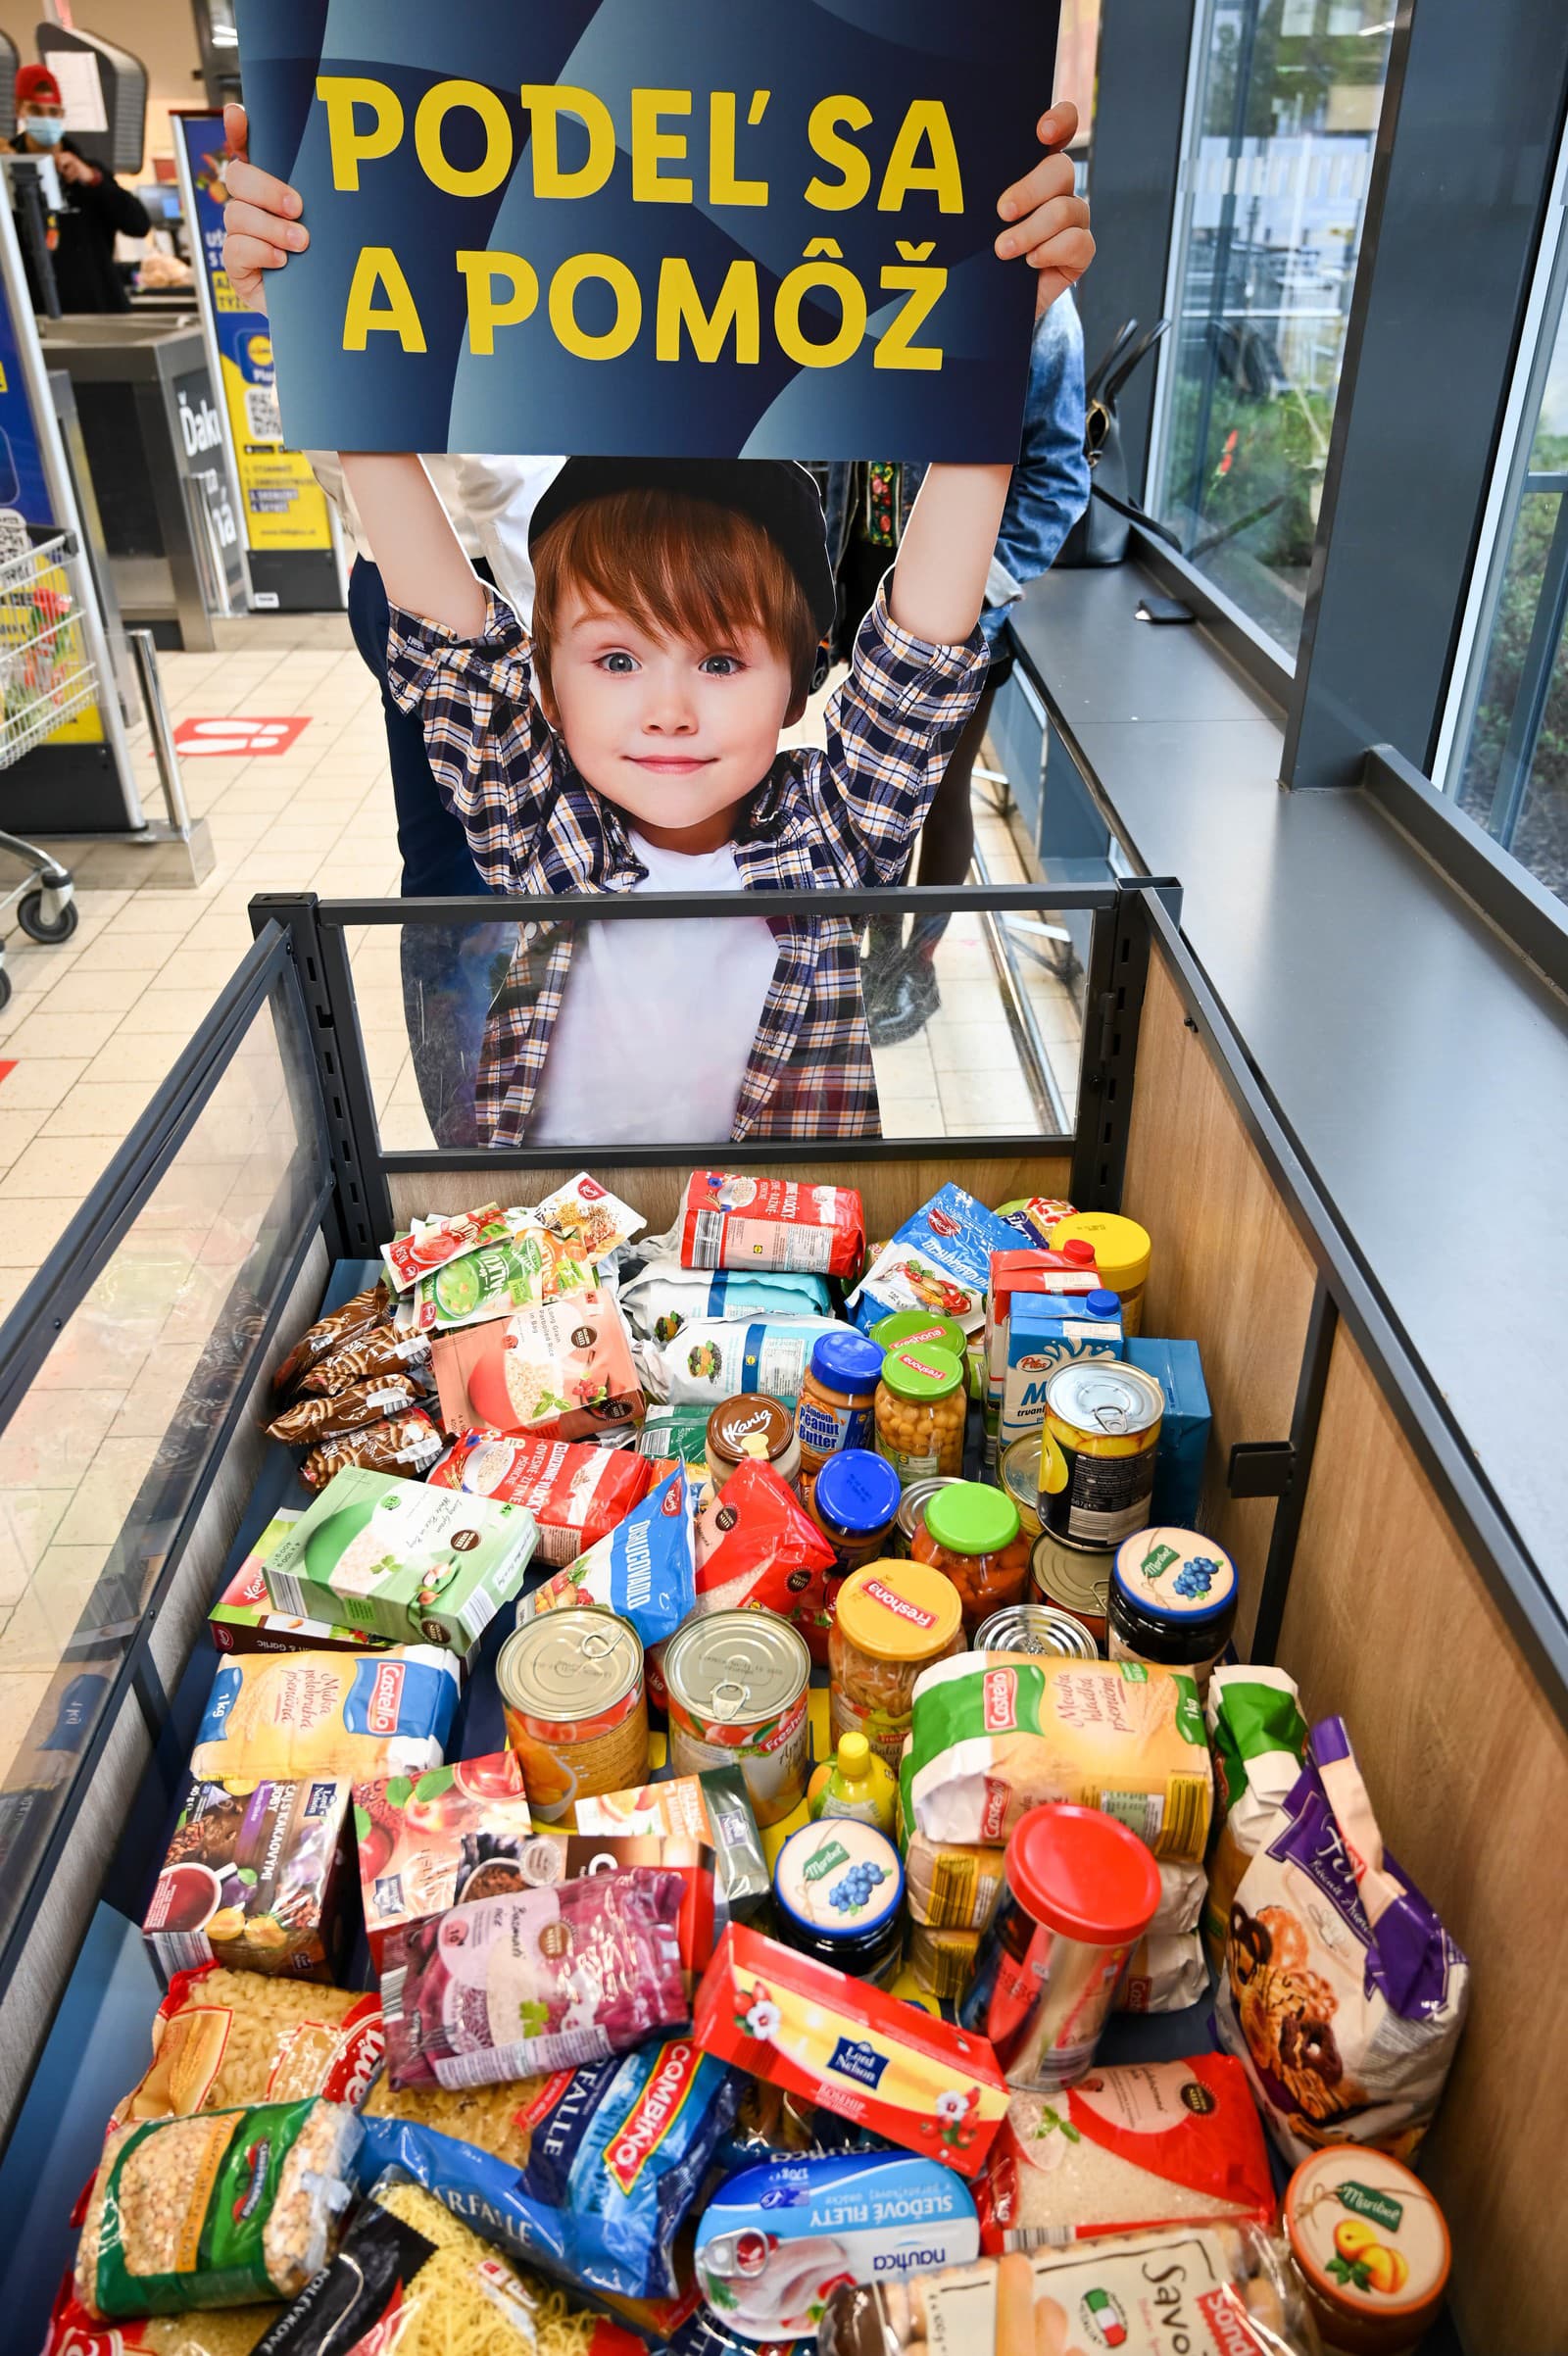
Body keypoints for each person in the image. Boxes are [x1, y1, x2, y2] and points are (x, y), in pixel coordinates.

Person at [220, 98, 1094, 1148]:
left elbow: (916, 657)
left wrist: (997, 348)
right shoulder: (539, 823)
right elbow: (453, 641)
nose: (669, 710)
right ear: (543, 682)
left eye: (722, 659)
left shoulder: (832, 834)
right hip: (566, 1275)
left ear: (803, 675)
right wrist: (326, 333)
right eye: (618, 657)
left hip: (767, 1277)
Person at [824, 300, 1090, 1043]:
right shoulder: (852, 271)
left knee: (939, 799)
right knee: (870, 794)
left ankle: (916, 964)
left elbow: (1058, 482)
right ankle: (866, 960)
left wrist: (974, 597)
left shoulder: (1034, 307)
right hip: (868, 584)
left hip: (963, 613)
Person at [309, 450, 562, 1145]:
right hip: (511, 562)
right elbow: (499, 469)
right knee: (559, 855)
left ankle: (470, 1149)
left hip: (386, 562)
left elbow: (340, 432)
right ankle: (493, 1147)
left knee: (445, 862)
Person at [5, 64, 149, 313]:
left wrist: (93, 180)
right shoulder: (5, 175)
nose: (46, 119)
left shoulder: (90, 172)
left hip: (101, 310)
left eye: (52, 112)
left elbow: (138, 224)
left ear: (62, 114)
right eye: (36, 110)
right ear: (19, 109)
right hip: (36, 315)